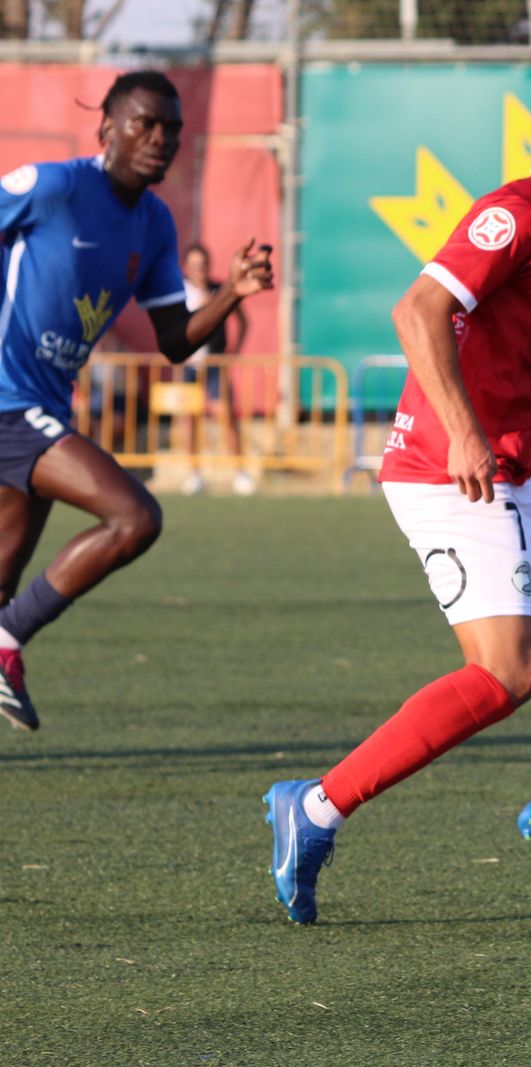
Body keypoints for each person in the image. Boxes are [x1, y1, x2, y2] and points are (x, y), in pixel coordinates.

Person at [263, 78, 531, 924]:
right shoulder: (520, 212)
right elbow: (418, 311)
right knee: (505, 673)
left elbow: (516, 349)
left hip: (506, 477)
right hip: (445, 474)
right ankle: (312, 808)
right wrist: (461, 431)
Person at [0, 71, 273, 733]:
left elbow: (176, 341)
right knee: (134, 516)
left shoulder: (153, 224)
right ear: (107, 128)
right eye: (144, 123)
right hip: (7, 403)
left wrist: (232, 291)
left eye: (171, 129)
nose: (160, 139)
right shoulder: (55, 186)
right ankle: (7, 640)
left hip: (42, 410)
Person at [177, 243, 254, 496]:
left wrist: (234, 351)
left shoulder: (220, 291)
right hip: (190, 365)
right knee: (190, 419)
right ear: (187, 268)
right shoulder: (180, 293)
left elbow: (242, 321)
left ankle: (240, 472)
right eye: (195, 266)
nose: (200, 270)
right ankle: (193, 473)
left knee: (225, 415)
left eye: (203, 265)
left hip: (215, 364)